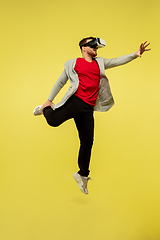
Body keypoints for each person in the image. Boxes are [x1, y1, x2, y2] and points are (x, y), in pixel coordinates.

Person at [33, 37, 151, 194]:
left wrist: (135, 54)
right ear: (83, 48)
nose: (96, 48)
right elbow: (61, 82)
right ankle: (45, 108)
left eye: (96, 46)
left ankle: (82, 175)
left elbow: (117, 61)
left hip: (88, 108)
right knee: (53, 121)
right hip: (75, 101)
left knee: (87, 141)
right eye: (92, 45)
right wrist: (49, 100)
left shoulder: (99, 63)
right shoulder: (73, 63)